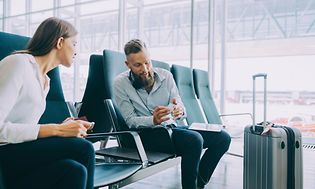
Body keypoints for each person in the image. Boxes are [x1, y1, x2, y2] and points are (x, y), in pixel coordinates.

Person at [114, 39, 231, 189]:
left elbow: (179, 103)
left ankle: (198, 182)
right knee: (194, 140)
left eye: (147, 62)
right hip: (145, 135)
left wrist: (179, 110)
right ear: (127, 64)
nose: (145, 69)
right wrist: (153, 120)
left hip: (171, 128)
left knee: (223, 138)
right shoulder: (120, 83)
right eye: (137, 65)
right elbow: (130, 120)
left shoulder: (166, 76)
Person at [0, 17, 95, 189]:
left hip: (19, 151)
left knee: (74, 171)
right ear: (60, 42)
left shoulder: (45, 81)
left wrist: (62, 126)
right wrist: (57, 130)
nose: (76, 51)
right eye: (74, 43)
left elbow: (25, 127)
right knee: (83, 149)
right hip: (4, 153)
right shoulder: (18, 63)